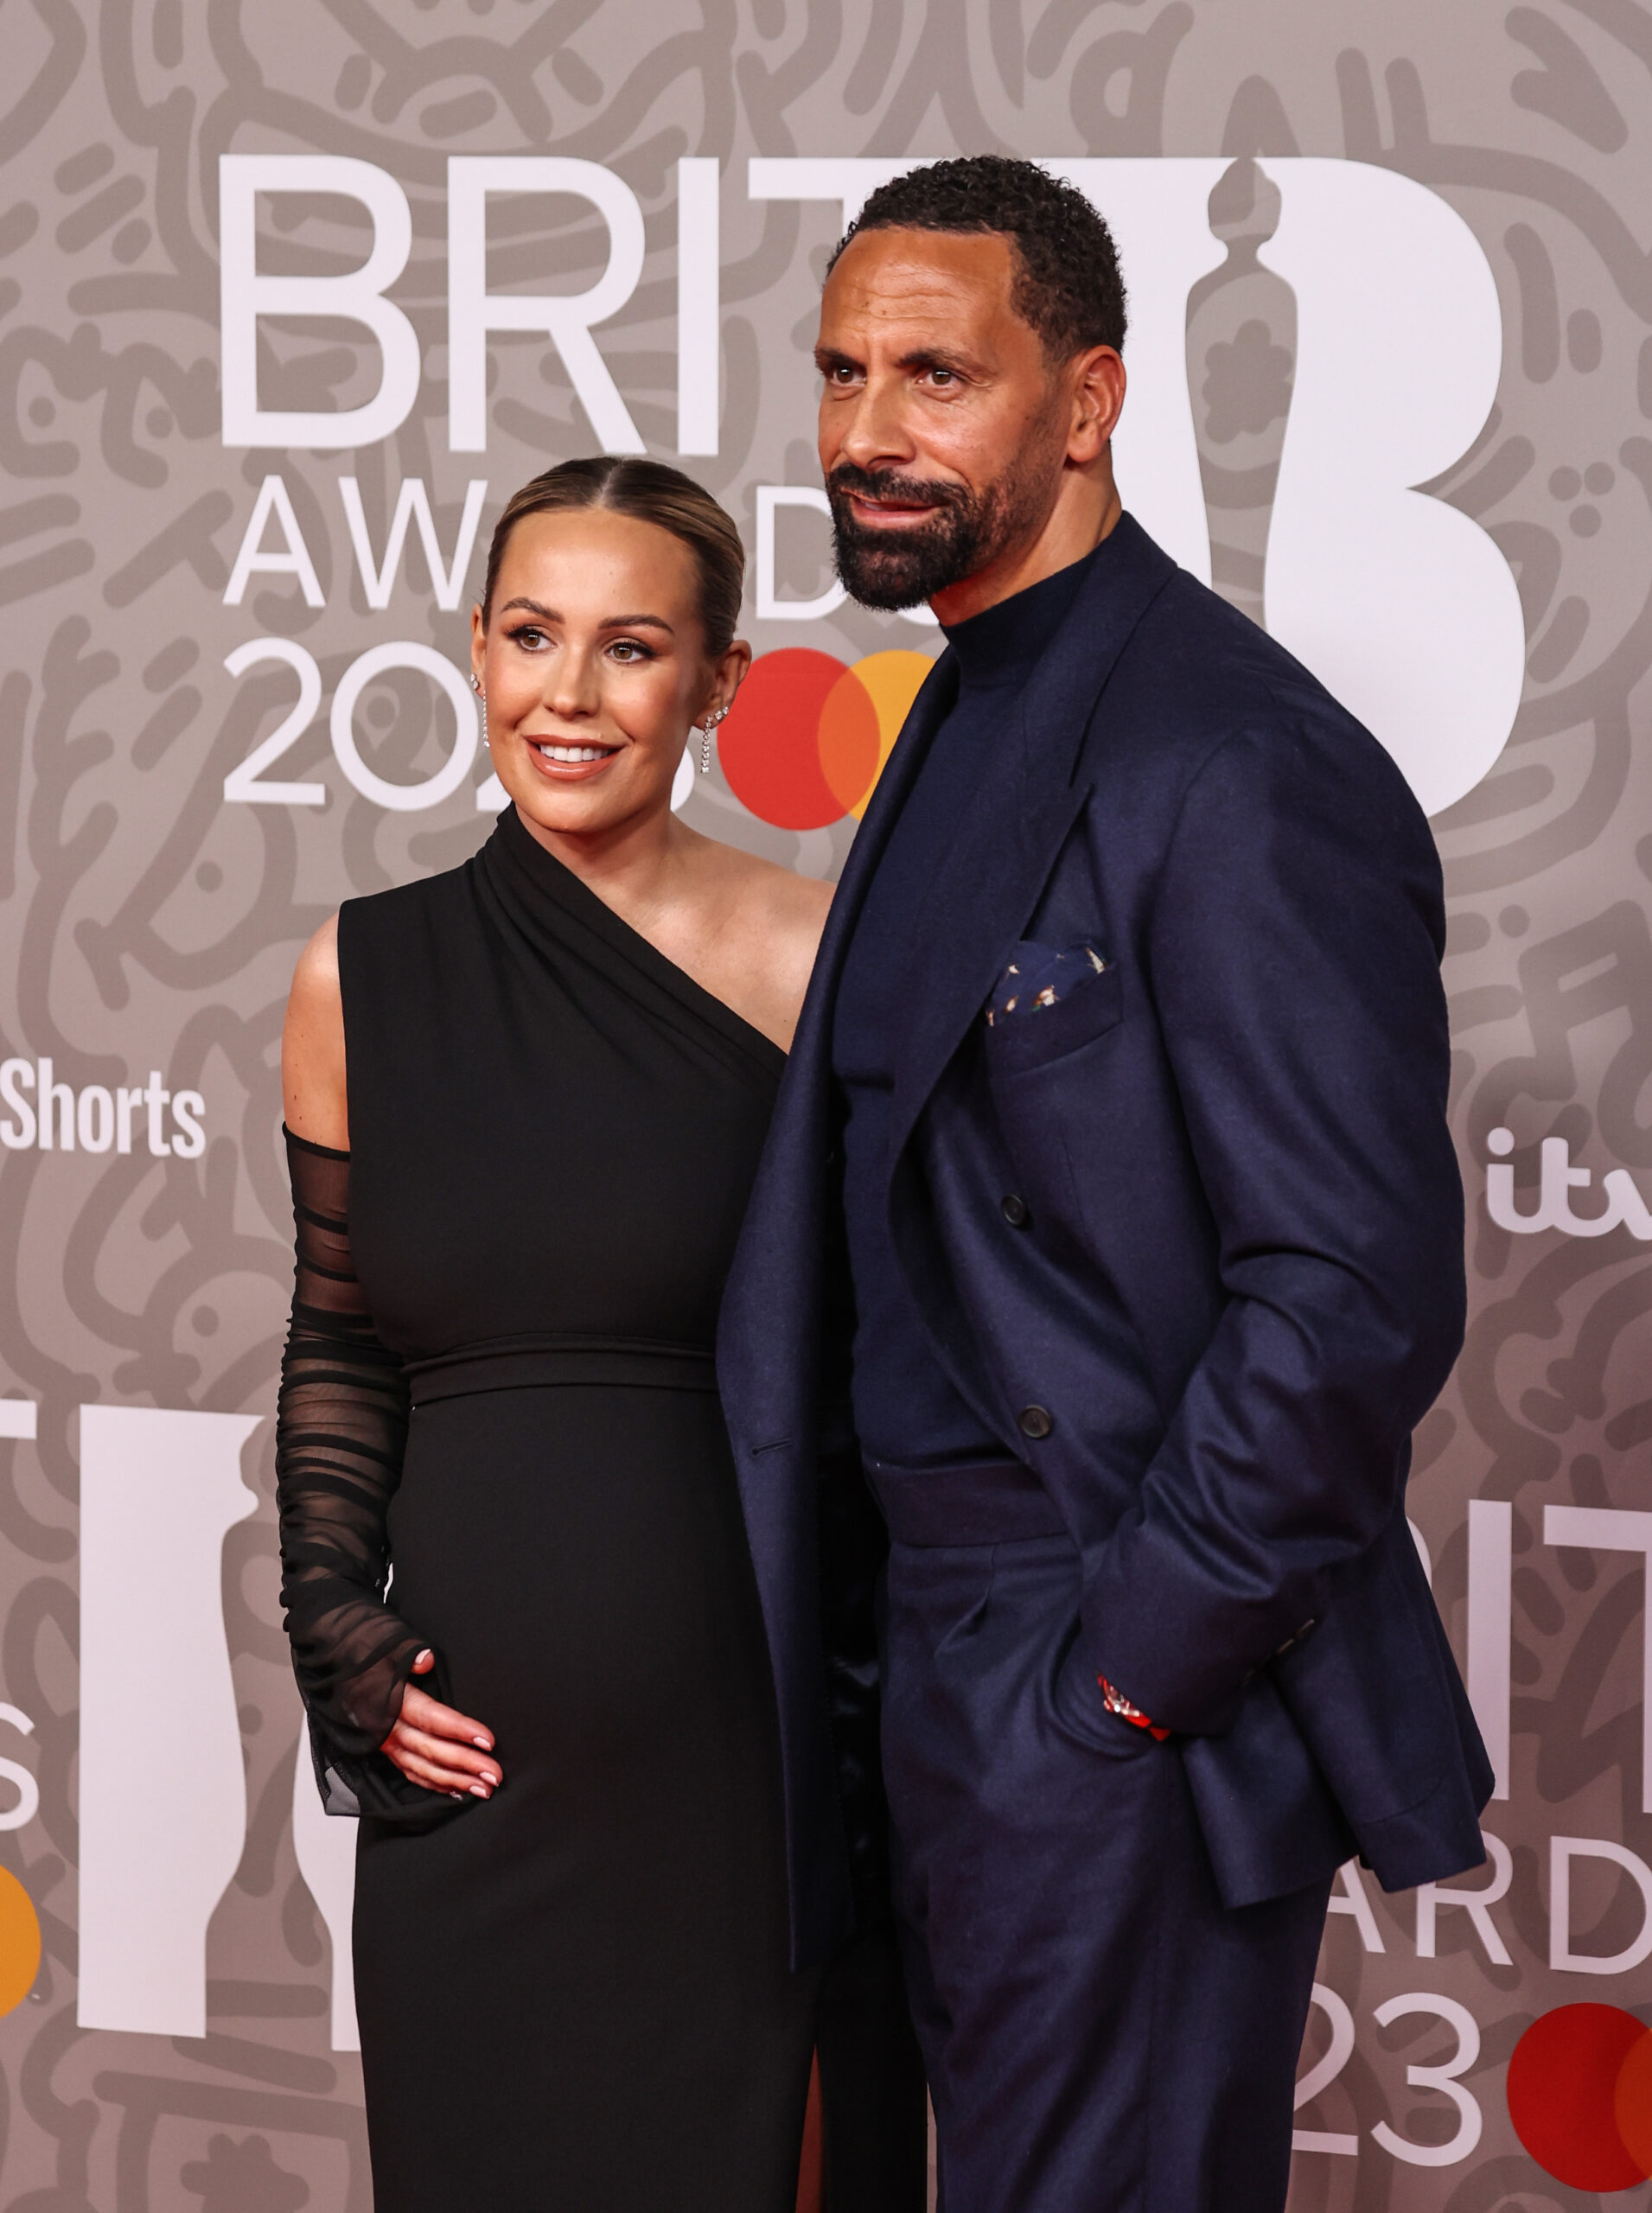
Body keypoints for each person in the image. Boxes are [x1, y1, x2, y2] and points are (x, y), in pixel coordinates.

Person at [716, 156, 1494, 2211]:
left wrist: (1123, 1676)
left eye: (935, 376)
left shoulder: (1224, 755)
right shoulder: (958, 701)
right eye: (840, 372)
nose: (870, 430)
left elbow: (1346, 1285)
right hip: (914, 1660)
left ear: (1085, 400)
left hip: (1091, 1668)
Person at [275, 457, 852, 2211]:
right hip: (477, 1783)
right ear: (473, 649)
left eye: (629, 648)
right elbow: (337, 1338)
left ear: (719, 681)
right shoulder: (354, 974)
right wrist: (327, 1616)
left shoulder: (817, 951)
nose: (569, 695)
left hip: (743, 1762)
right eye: (531, 637)